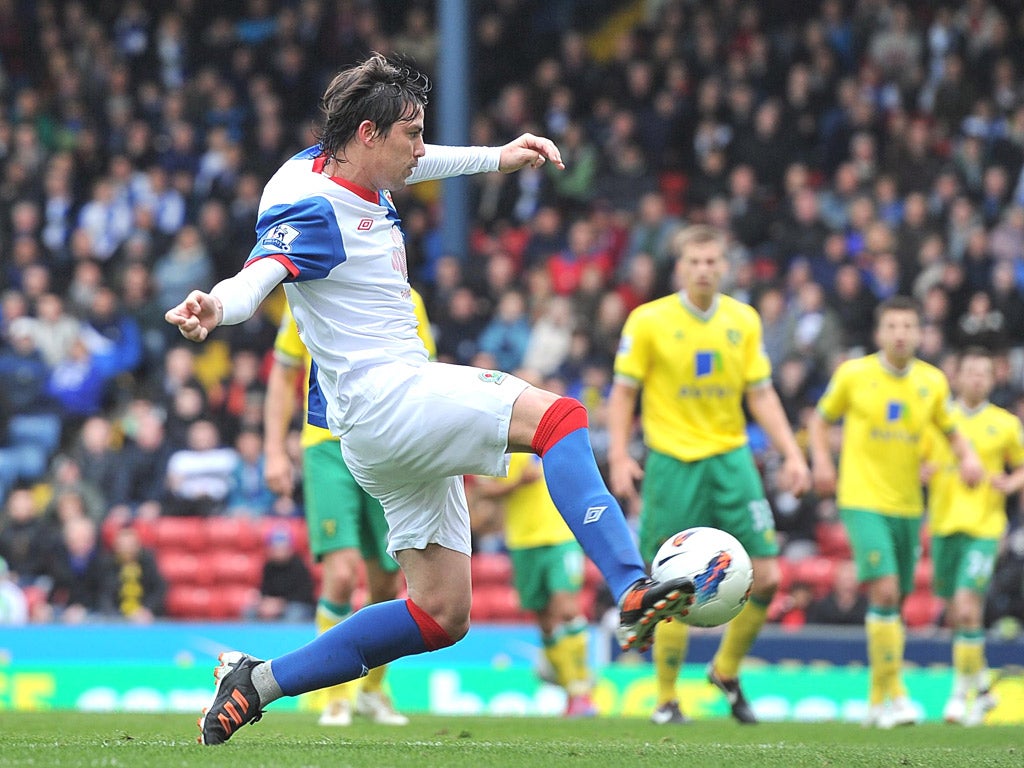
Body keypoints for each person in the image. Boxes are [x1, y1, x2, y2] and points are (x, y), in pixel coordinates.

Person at [164, 53, 693, 746]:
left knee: (442, 614)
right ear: (366, 136)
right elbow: (260, 272)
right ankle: (630, 584)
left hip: (374, 430)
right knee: (560, 418)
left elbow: (423, 160)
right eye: (411, 135)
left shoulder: (340, 160)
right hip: (392, 398)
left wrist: (497, 158)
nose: (421, 148)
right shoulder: (315, 211)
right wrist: (216, 306)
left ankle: (254, 682)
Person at [607, 224, 812, 726]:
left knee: (767, 576)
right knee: (669, 584)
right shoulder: (648, 320)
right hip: (672, 462)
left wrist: (792, 454)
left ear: (725, 266)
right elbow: (624, 392)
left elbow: (761, 394)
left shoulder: (743, 321)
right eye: (694, 261)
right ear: (680, 268)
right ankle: (666, 699)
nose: (703, 269)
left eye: (711, 261)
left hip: (732, 459)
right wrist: (617, 455)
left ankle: (726, 670)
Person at [808, 296, 984, 729]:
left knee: (895, 602)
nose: (901, 333)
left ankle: (876, 699)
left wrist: (969, 458)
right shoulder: (853, 375)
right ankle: (898, 694)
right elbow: (820, 420)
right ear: (879, 333)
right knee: (884, 590)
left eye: (909, 326)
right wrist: (822, 462)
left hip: (908, 504)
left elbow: (950, 429)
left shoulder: (933, 382)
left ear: (920, 332)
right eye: (893, 326)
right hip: (862, 498)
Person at [262, 293, 435, 726]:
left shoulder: (405, 299)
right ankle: (334, 694)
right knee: (340, 575)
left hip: (385, 445)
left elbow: (424, 375)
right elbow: (284, 373)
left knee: (388, 577)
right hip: (326, 448)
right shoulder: (306, 294)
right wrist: (273, 451)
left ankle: (372, 691)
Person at [919, 347, 1024, 725]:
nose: (977, 378)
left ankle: (958, 695)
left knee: (966, 607)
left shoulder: (1005, 424)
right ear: (958, 377)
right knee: (959, 614)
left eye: (984, 372)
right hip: (944, 527)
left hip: (985, 528)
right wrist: (923, 472)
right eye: (971, 372)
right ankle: (981, 688)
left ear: (992, 378)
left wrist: (1010, 483)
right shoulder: (939, 423)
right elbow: (919, 460)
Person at [473, 450, 598, 718]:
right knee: (545, 620)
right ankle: (572, 693)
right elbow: (482, 491)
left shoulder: (551, 437)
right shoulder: (499, 445)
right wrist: (518, 482)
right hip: (522, 542)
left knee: (567, 609)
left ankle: (582, 691)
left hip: (561, 536)